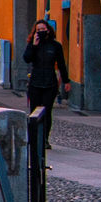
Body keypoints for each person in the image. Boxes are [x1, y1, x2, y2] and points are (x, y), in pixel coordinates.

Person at [22, 20, 69, 156]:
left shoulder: (55, 46)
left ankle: (45, 139)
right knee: (34, 111)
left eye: (43, 29)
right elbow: (26, 59)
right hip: (35, 82)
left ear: (48, 30)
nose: (41, 32)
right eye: (38, 30)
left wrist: (66, 81)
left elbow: (61, 64)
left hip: (50, 82)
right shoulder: (32, 45)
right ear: (35, 32)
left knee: (47, 112)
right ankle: (34, 137)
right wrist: (34, 46)